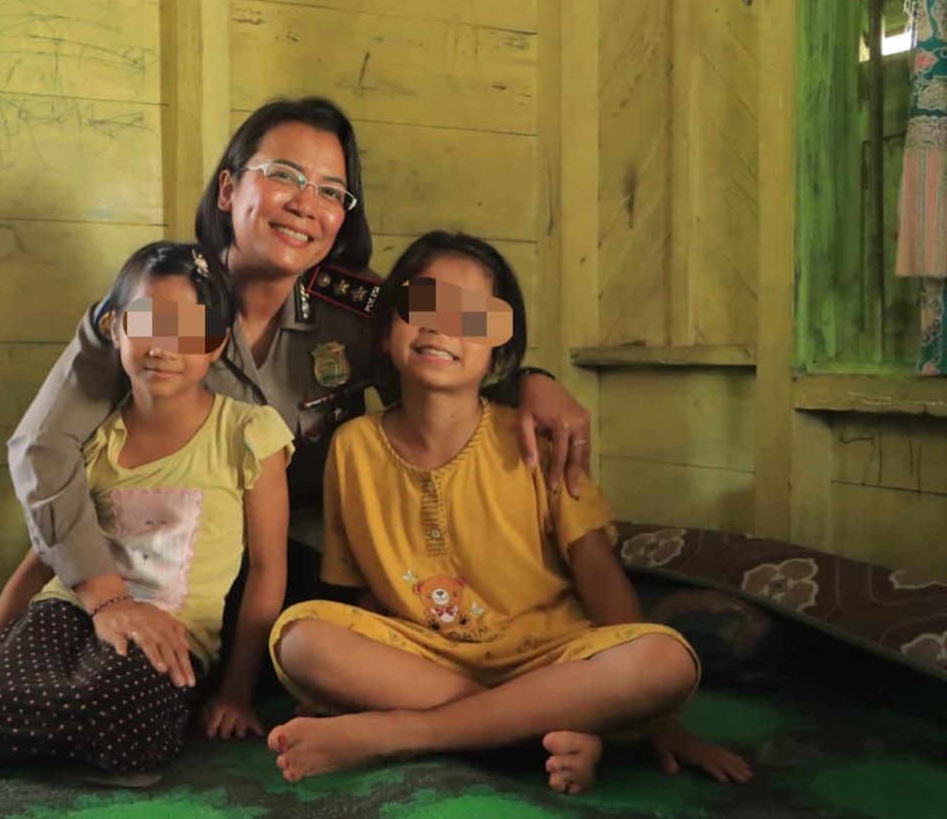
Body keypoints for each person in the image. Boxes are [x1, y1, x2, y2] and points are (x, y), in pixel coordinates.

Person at [7, 97, 594, 689]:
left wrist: (532, 381)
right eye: (284, 175)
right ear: (229, 189)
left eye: (331, 191)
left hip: (301, 565)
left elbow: (449, 368)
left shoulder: (361, 311)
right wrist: (106, 596)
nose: (305, 204)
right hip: (158, 561)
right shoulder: (157, 301)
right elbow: (41, 450)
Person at [265, 231, 754, 792]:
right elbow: (370, 593)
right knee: (300, 638)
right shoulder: (352, 446)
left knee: (667, 660)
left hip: (549, 658)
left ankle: (399, 733)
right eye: (421, 304)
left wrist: (658, 720)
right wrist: (357, 675)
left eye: (472, 316)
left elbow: (599, 574)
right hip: (429, 661)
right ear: (384, 333)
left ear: (499, 350)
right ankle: (541, 730)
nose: (441, 325)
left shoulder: (537, 441)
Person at [0, 242, 295, 775]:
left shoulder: (249, 433)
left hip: (170, 634)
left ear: (217, 344)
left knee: (113, 719)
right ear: (115, 328)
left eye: (189, 330)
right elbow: (42, 562)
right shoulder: (92, 438)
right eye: (148, 322)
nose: (164, 345)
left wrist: (235, 693)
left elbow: (267, 570)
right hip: (70, 609)